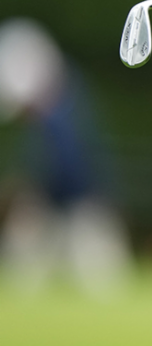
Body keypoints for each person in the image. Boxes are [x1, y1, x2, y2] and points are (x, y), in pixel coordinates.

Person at [0, 18, 132, 298]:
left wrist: (26, 187)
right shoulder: (65, 99)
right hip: (70, 199)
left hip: (82, 201)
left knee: (102, 283)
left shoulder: (62, 113)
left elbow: (68, 164)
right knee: (28, 278)